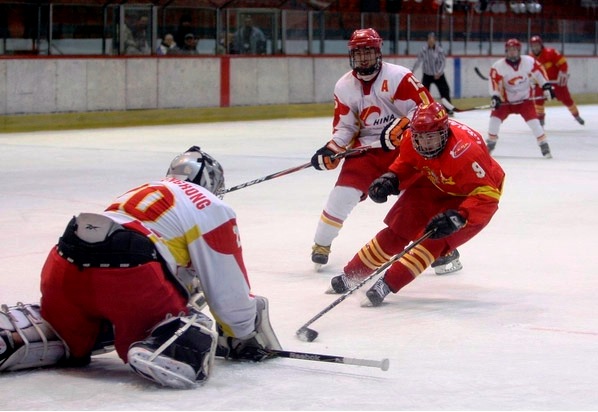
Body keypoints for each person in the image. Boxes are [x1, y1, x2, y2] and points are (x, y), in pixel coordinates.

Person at [0, 147, 281, 389]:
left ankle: (18, 335)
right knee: (186, 318)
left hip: (63, 268)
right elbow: (228, 293)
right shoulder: (212, 205)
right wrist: (244, 333)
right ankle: (164, 346)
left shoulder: (142, 190)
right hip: (130, 279)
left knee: (66, 332)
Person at [309, 27, 462, 276]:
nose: (363, 59)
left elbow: (428, 110)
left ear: (378, 53)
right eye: (358, 54)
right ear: (352, 56)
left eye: (368, 52)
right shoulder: (344, 85)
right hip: (365, 152)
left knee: (418, 201)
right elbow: (345, 127)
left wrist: (402, 126)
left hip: (406, 148)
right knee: (342, 195)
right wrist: (332, 148)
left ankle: (440, 249)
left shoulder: (399, 76)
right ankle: (321, 243)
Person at [327, 102, 505, 307]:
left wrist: (460, 217)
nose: (425, 144)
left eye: (431, 138)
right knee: (398, 228)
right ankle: (353, 274)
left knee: (433, 240)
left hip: (469, 195)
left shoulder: (465, 152)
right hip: (435, 181)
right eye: (420, 137)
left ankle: (388, 283)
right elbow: (407, 162)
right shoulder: (411, 138)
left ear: (444, 132)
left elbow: (488, 194)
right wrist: (391, 178)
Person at [485, 38, 555, 158]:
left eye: (515, 49)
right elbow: (493, 81)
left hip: (524, 101)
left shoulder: (528, 61)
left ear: (519, 50)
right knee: (494, 120)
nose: (512, 52)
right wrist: (495, 96)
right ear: (506, 51)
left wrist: (546, 86)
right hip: (505, 101)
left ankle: (544, 145)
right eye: (510, 50)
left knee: (535, 123)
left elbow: (539, 71)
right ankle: (490, 144)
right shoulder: (499, 66)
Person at [529, 35, 584, 126]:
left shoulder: (551, 52)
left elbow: (563, 63)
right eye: (533, 45)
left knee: (567, 99)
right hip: (542, 84)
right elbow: (529, 71)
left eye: (537, 45)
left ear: (541, 45)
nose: (535, 47)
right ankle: (540, 120)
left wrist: (563, 72)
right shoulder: (530, 58)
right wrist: (531, 80)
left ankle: (576, 116)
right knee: (538, 100)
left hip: (556, 83)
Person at [412, 32, 454, 115]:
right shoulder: (423, 50)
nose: (431, 41)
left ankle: (449, 109)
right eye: (429, 39)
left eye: (432, 39)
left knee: (445, 91)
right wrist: (412, 69)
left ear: (435, 40)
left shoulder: (440, 50)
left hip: (438, 75)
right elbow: (418, 61)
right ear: (427, 40)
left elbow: (443, 62)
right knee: (424, 93)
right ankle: (425, 110)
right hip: (427, 75)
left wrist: (439, 72)